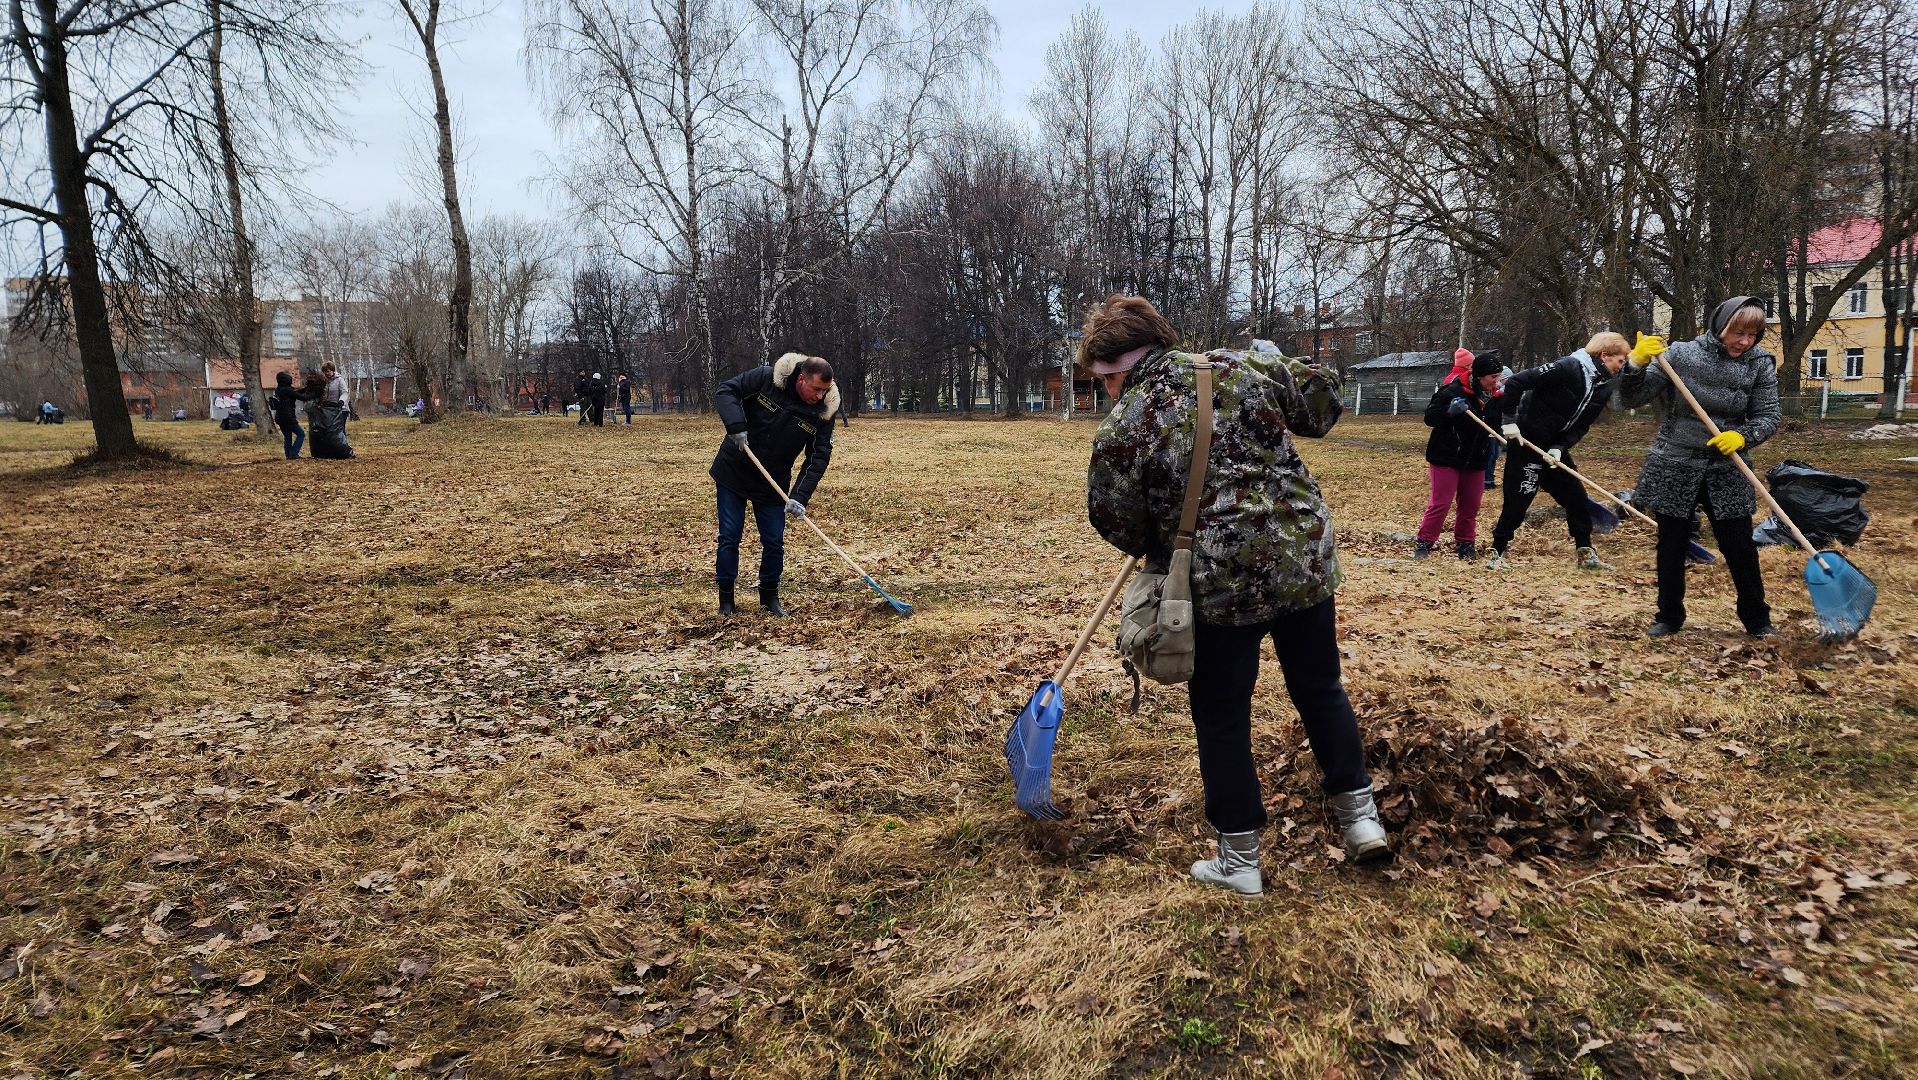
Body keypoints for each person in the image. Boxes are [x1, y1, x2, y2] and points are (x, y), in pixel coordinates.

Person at [1083, 294, 1388, 897]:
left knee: (1223, 713)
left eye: (1103, 381)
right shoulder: (1238, 366)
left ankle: (1240, 859)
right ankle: (1361, 821)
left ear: (1118, 367)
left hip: (1220, 579)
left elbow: (1114, 517)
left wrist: (1161, 538)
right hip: (1303, 556)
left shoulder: (1128, 420)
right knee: (1320, 687)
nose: (1105, 394)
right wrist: (1286, 365)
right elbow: (1323, 404)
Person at [1614, 298, 1780, 638]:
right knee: (1672, 542)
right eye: (1738, 332)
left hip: (1728, 464)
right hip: (1675, 460)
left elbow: (1769, 416)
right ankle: (1669, 616)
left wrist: (1743, 435)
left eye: (1753, 334)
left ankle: (1758, 620)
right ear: (1719, 325)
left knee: (1739, 545)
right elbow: (1630, 400)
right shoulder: (1680, 355)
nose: (1745, 341)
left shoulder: (1759, 363)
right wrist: (1634, 364)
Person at [1484, 332, 1639, 570]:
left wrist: (1560, 447)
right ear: (1604, 355)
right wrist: (1508, 420)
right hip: (1527, 443)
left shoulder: (1601, 386)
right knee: (1518, 502)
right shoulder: (1568, 367)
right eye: (1620, 361)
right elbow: (1516, 382)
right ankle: (1497, 552)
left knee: (1576, 498)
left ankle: (1585, 554)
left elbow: (1582, 425)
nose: (1621, 366)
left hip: (1553, 448)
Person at [710, 353, 839, 617]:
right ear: (801, 378)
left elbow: (818, 456)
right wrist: (735, 425)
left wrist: (800, 496)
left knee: (773, 542)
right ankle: (726, 600)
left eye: (825, 391)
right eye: (816, 389)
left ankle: (769, 596)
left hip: (773, 482)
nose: (819, 396)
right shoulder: (766, 378)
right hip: (735, 469)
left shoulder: (824, 411)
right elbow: (727, 390)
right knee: (729, 537)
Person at [1415, 351, 1504, 559]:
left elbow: (1496, 424)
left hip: (1476, 458)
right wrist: (1449, 412)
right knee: (1441, 502)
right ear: (1480, 375)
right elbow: (1430, 417)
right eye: (1493, 377)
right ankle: (1424, 542)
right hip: (1447, 455)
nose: (1496, 381)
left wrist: (1504, 435)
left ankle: (1465, 544)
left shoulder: (1495, 397)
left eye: (1498, 377)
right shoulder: (1452, 391)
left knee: (1470, 505)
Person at [270, 370, 309, 459]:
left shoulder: (278, 390)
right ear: (286, 380)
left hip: (279, 418)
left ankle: (288, 455)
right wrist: (314, 393)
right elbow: (303, 397)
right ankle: (294, 453)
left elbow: (295, 393)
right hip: (288, 417)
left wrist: (305, 389)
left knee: (287, 436)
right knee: (301, 434)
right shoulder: (287, 390)